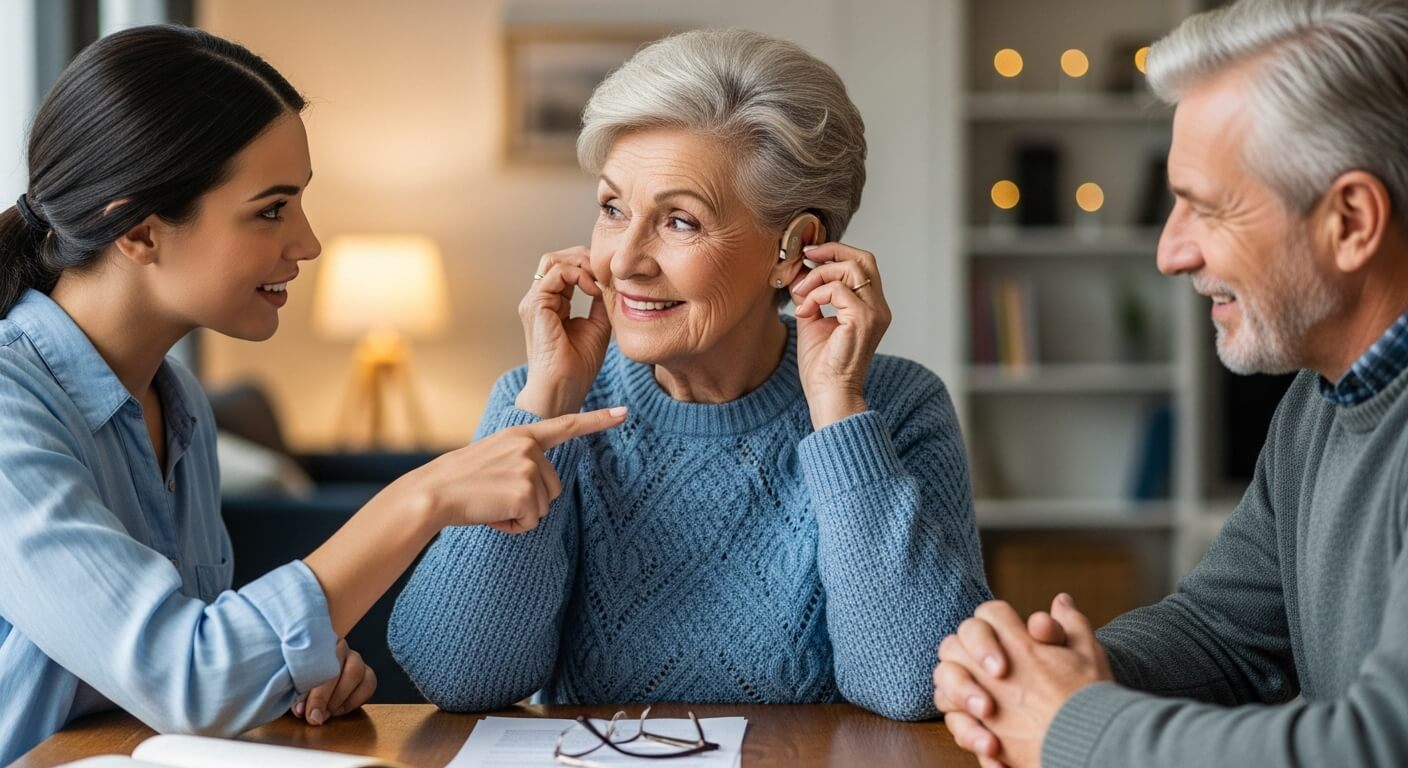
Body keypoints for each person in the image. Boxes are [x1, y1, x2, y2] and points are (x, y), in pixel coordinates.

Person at [0, 25, 625, 763]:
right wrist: (418, 497)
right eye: (271, 209)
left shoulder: (181, 407)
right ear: (138, 230)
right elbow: (187, 679)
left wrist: (286, 673)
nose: (307, 242)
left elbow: (197, 666)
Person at [388, 28, 990, 721]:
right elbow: (457, 675)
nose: (622, 261)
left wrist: (837, 411)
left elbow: (914, 683)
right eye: (613, 209)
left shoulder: (895, 405)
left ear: (795, 250)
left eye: (679, 221)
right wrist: (547, 408)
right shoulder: (542, 403)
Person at [932, 0, 1408, 765]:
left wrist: (1065, 726)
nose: (1170, 253)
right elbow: (1222, 631)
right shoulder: (1317, 403)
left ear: (1351, 220)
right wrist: (1043, 677)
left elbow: (1376, 743)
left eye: (1205, 208)